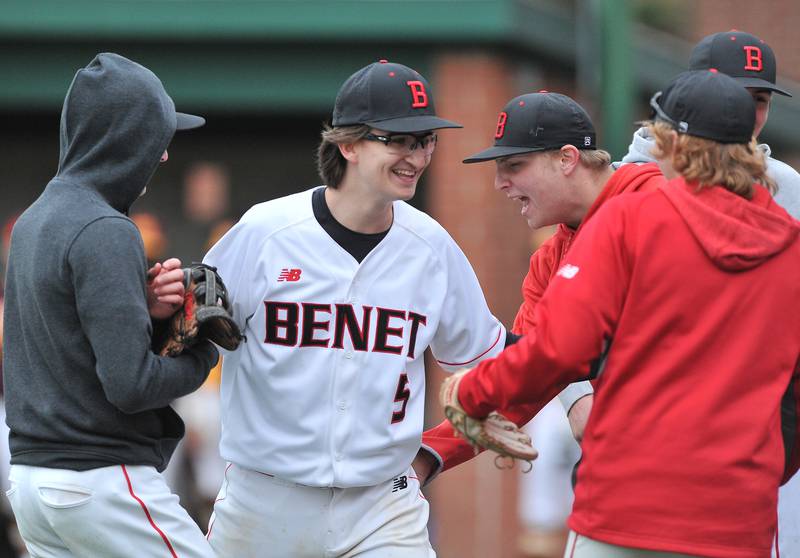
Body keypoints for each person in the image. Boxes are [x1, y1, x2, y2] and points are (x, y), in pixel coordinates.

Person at [445, 69, 800, 557]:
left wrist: (471, 392)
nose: (500, 183)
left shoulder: (632, 217)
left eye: (515, 166)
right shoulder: (789, 243)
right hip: (738, 515)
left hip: (629, 505)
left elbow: (554, 352)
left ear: (670, 143)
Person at [201, 59, 509, 557]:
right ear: (347, 144)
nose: (417, 154)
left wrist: (435, 452)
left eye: (425, 139)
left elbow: (495, 361)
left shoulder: (431, 246)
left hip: (381, 505)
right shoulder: (266, 232)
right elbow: (187, 339)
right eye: (398, 139)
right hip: (264, 501)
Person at [2, 52, 220, 557]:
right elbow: (131, 385)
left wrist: (143, 311)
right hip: (98, 483)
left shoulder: (35, 218)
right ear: (124, 135)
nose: (164, 155)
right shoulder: (106, 228)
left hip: (34, 485)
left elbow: (69, 334)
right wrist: (205, 348)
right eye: (157, 137)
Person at [413, 91, 665, 482]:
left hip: (708, 449)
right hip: (626, 462)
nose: (500, 183)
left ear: (567, 158)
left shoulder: (661, 206)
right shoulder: (549, 262)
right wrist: (430, 454)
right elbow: (528, 374)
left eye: (514, 165)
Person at [619, 30, 800, 557]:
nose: (746, 111)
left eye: (760, 99)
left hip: (757, 422)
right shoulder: (636, 177)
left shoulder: (786, 185)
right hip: (647, 421)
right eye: (738, 93)